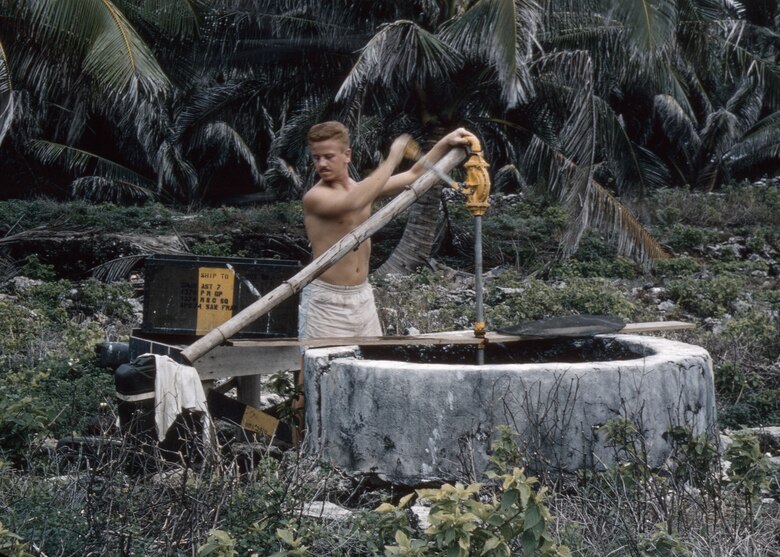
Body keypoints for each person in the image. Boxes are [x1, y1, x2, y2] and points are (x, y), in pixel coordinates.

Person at [298, 121, 476, 341]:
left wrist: (445, 141)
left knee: (369, 363)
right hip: (327, 300)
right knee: (317, 368)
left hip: (362, 296)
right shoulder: (316, 197)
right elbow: (353, 202)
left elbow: (413, 174)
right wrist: (393, 158)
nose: (322, 163)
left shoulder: (360, 188)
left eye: (328, 156)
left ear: (347, 155)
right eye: (316, 158)